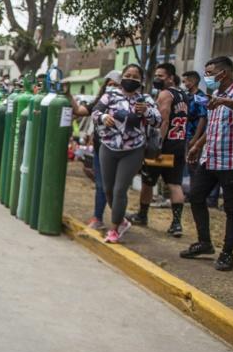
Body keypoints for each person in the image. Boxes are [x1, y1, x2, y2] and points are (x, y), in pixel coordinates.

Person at [181, 56, 233, 271]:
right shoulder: (215, 94)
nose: (207, 77)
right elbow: (213, 126)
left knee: (232, 208)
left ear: (223, 73)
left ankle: (227, 253)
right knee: (195, 196)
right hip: (211, 157)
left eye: (209, 73)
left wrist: (224, 101)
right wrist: (197, 145)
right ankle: (204, 242)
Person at [91, 64, 161, 243]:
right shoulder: (110, 95)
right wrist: (102, 118)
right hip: (108, 147)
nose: (131, 78)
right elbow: (95, 111)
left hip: (133, 150)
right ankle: (121, 220)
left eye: (135, 76)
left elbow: (157, 121)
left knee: (120, 189)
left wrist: (146, 111)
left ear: (141, 80)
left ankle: (114, 229)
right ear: (122, 78)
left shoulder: (145, 99)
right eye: (127, 75)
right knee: (107, 189)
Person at [127, 63, 188, 237]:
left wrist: (156, 145)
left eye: (161, 76)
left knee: (148, 181)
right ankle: (176, 224)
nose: (157, 79)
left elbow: (164, 120)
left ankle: (142, 215)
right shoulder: (183, 95)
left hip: (163, 147)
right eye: (156, 75)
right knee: (175, 184)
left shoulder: (165, 94)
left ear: (170, 77)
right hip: (179, 145)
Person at [66, 70, 122, 230]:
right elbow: (79, 110)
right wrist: (69, 94)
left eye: (116, 85)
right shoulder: (99, 103)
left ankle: (118, 221)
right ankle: (98, 218)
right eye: (109, 85)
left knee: (117, 188)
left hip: (121, 152)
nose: (112, 88)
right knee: (101, 185)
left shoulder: (128, 104)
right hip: (100, 150)